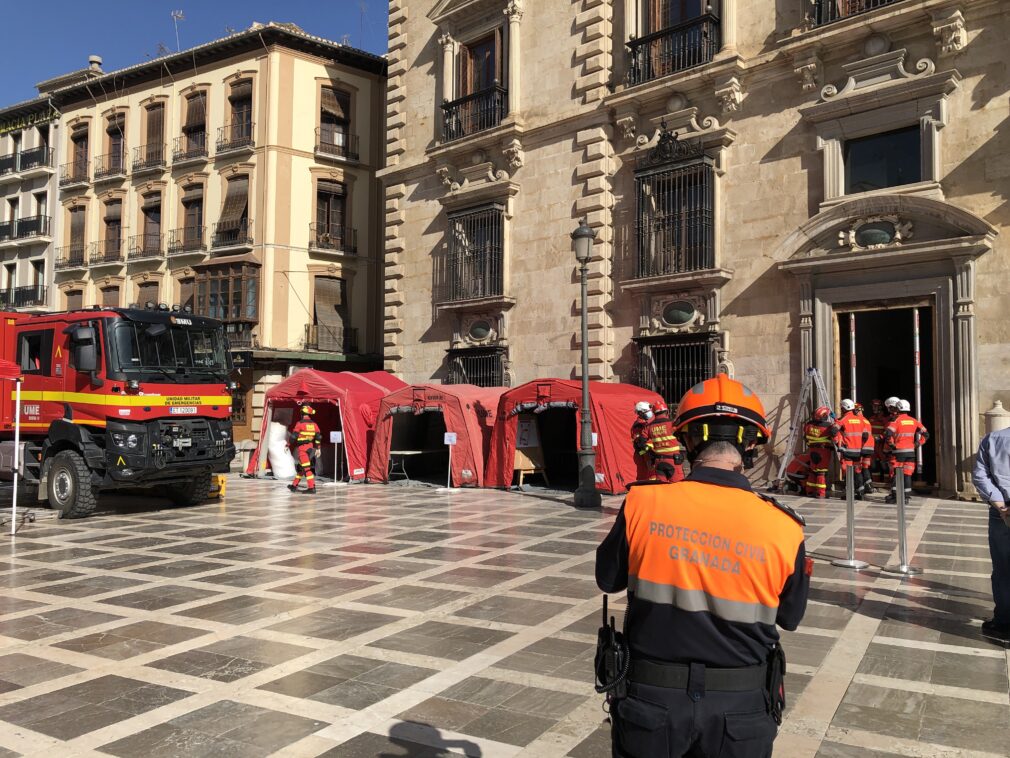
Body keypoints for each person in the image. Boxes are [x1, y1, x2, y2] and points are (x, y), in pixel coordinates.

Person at [596, 375, 810, 758]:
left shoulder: (643, 504)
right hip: (741, 708)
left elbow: (607, 579)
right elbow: (790, 618)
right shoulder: (785, 526)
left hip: (651, 701)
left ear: (686, 439)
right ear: (751, 446)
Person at [971, 427, 1010, 645]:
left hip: (1002, 510)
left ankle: (1004, 623)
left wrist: (999, 504)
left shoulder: (994, 438)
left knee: (1003, 568)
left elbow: (980, 474)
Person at [882, 399, 928, 504]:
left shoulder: (896, 421)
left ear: (898, 408)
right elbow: (926, 434)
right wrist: (917, 444)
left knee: (896, 474)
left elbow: (888, 434)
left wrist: (891, 445)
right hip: (910, 453)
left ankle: (895, 496)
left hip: (898, 452)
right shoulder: (914, 421)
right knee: (907, 474)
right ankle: (906, 497)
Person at [639, 401, 685, 482]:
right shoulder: (671, 423)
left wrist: (651, 452)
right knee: (678, 487)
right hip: (673, 461)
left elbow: (641, 442)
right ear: (667, 411)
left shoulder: (649, 426)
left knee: (662, 487)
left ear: (654, 413)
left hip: (658, 462)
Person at [832, 399, 868, 499]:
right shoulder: (861, 419)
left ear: (844, 408)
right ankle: (860, 493)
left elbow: (833, 430)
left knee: (847, 472)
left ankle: (849, 494)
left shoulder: (844, 419)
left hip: (847, 450)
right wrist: (861, 445)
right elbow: (865, 435)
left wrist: (838, 443)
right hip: (858, 450)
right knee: (857, 471)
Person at [287, 404, 321, 494]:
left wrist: (288, 444)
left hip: (302, 449)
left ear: (302, 413)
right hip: (310, 448)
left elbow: (293, 436)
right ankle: (294, 485)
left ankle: (311, 487)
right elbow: (318, 437)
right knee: (302, 468)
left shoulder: (300, 423)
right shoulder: (314, 424)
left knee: (306, 468)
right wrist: (318, 448)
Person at [803, 405, 835, 499]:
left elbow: (805, 437)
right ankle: (820, 493)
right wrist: (836, 419)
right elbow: (835, 434)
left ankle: (809, 491)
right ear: (825, 415)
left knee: (813, 471)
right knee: (821, 473)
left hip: (812, 450)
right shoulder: (828, 427)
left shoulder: (808, 425)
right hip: (824, 451)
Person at [854, 403, 876, 494]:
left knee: (858, 468)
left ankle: (860, 488)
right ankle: (869, 486)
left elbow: (864, 435)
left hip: (862, 447)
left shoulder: (857, 420)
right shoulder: (866, 420)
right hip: (870, 447)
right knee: (865, 467)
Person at [869, 399, 891, 484]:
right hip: (873, 445)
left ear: (881, 407)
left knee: (884, 465)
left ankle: (886, 484)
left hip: (882, 445)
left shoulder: (886, 419)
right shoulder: (871, 418)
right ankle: (876, 484)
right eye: (873, 406)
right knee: (874, 465)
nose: (873, 408)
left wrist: (881, 437)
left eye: (875, 406)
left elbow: (888, 431)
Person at [631, 401, 654, 481]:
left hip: (648, 453)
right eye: (647, 411)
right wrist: (648, 454)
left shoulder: (646, 423)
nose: (649, 413)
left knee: (652, 476)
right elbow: (639, 444)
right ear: (640, 413)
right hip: (643, 455)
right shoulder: (638, 425)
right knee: (644, 478)